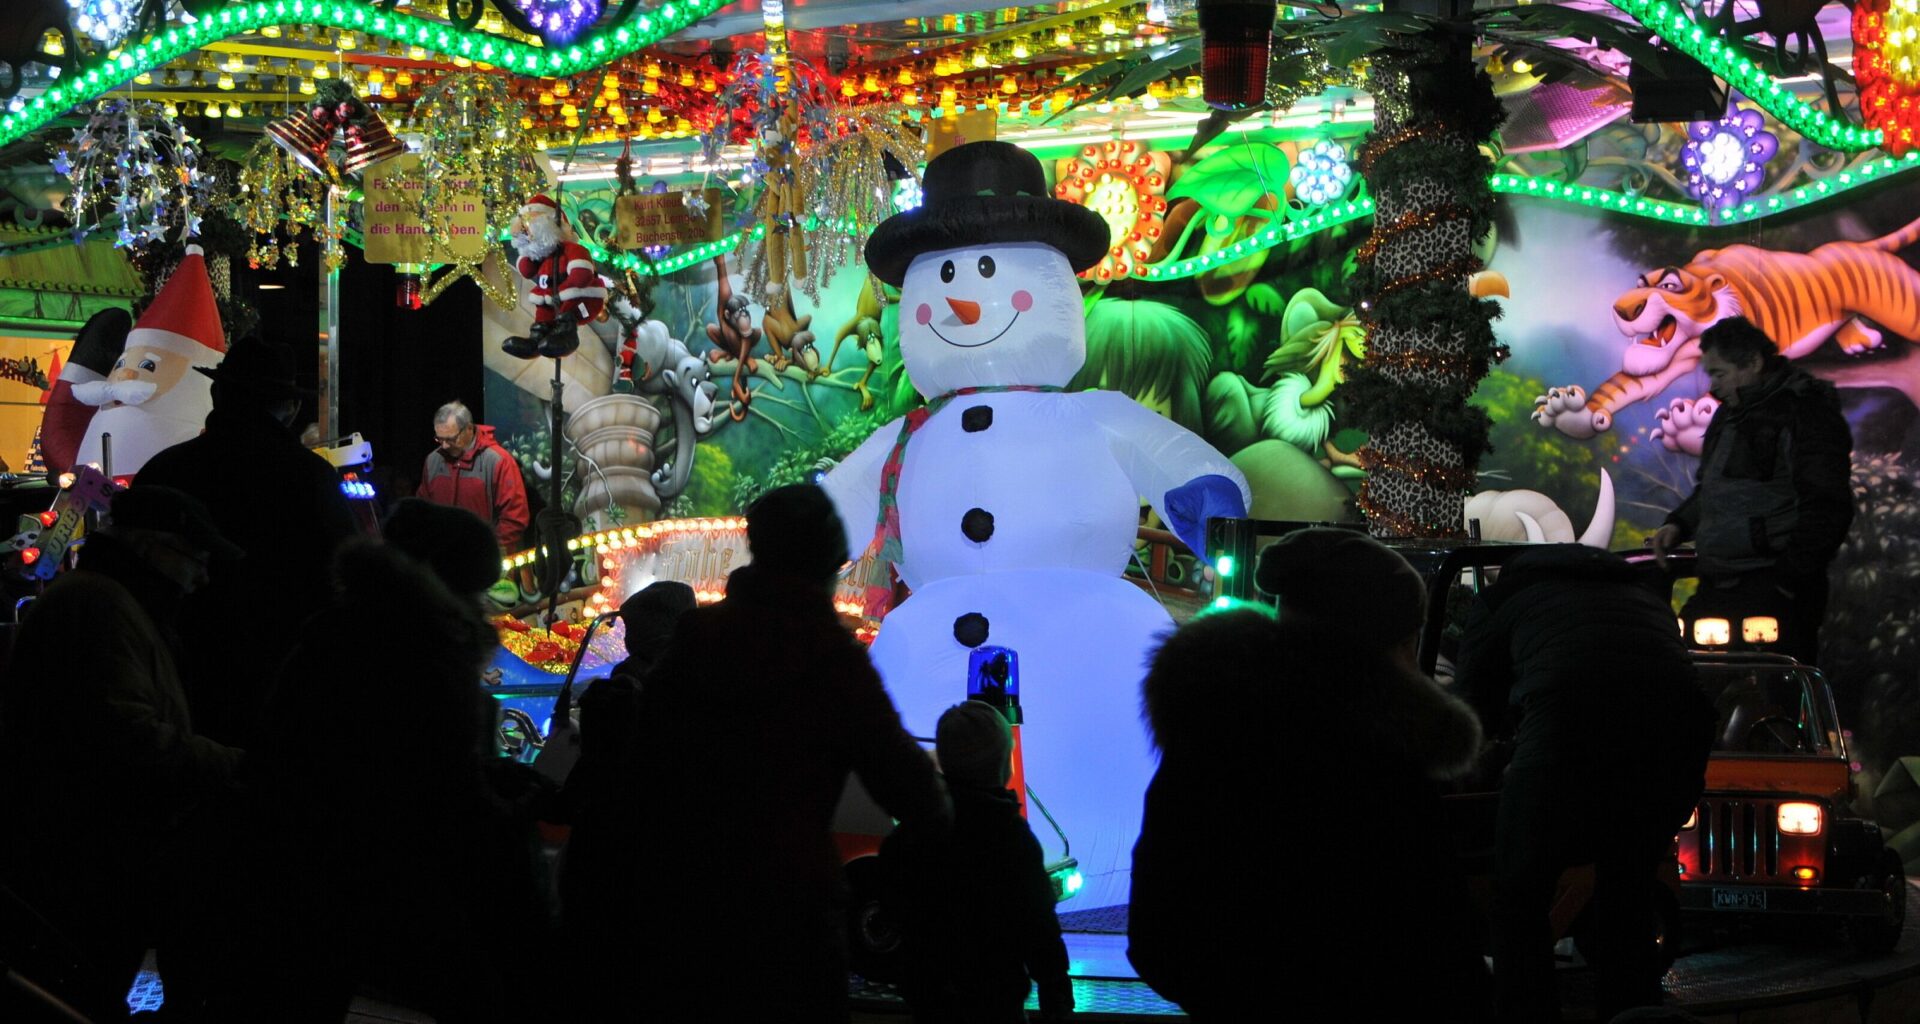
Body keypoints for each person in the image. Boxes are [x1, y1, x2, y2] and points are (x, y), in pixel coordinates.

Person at [201, 502, 551, 1023]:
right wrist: (514, 811)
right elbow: (436, 787)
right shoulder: (428, 649)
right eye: (475, 589)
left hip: (306, 872)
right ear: (450, 582)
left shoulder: (339, 629)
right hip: (375, 876)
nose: (482, 606)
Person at [617, 484, 951, 1023]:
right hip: (789, 915)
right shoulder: (830, 657)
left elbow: (644, 766)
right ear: (828, 558)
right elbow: (912, 791)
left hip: (686, 909)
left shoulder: (698, 638)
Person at [1129, 528, 1488, 1022]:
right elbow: (1442, 947)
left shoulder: (1208, 735)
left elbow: (1158, 933)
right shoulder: (1388, 765)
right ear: (1390, 644)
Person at [0, 484, 244, 1021]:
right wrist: (232, 764)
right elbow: (127, 740)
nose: (201, 578)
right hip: (82, 864)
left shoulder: (111, 602)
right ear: (152, 549)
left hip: (88, 858)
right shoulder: (100, 608)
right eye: (193, 560)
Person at [1456, 544, 1714, 1023]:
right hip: (1670, 752)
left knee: (1520, 903)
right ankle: (1633, 1016)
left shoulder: (1503, 596)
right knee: (1628, 899)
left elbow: (1471, 710)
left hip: (1561, 748)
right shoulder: (1643, 595)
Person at [138, 335, 357, 747]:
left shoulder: (165, 471)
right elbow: (341, 584)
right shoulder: (309, 478)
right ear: (288, 410)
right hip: (280, 685)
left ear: (218, 393)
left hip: (178, 684)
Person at [1651, 316, 1854, 666]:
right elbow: (1715, 489)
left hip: (1774, 587)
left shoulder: (1805, 413)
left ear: (1754, 364)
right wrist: (1679, 524)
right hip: (1723, 582)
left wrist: (1787, 581)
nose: (1713, 386)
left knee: (1772, 693)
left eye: (1720, 373)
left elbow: (1827, 506)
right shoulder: (1730, 414)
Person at [880, 700, 1073, 1024]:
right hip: (995, 997)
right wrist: (1055, 984)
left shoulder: (919, 830)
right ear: (1004, 764)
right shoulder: (1011, 838)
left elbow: (891, 888)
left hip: (929, 993)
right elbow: (1038, 922)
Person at [557, 579, 698, 1012]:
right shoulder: (711, 683)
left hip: (619, 858)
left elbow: (589, 779)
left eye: (631, 627)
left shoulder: (628, 686)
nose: (626, 636)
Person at [418, 399, 531, 554]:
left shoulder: (499, 461)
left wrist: (489, 551)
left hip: (484, 560)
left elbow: (515, 517)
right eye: (439, 439)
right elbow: (422, 509)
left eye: (450, 439)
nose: (444, 446)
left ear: (469, 429)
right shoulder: (432, 460)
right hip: (440, 559)